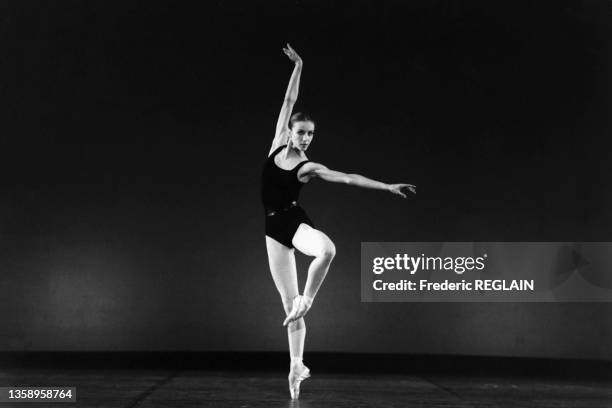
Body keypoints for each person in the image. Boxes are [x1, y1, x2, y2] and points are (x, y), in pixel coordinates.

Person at [261, 43, 416, 400]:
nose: (305, 138)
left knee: (327, 249)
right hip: (272, 231)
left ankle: (309, 299)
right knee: (289, 308)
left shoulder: (308, 167)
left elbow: (347, 177)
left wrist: (386, 186)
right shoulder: (275, 147)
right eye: (301, 132)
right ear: (289, 132)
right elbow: (288, 101)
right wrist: (298, 66)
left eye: (311, 134)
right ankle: (296, 366)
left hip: (293, 223)